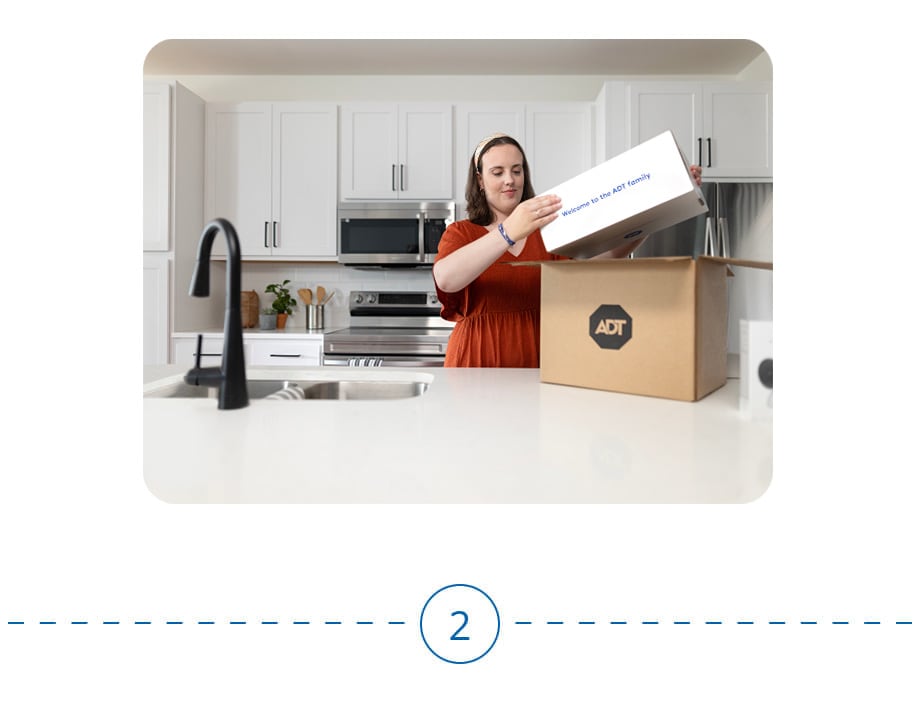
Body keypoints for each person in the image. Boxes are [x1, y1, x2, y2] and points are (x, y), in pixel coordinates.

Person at [433, 133, 702, 368]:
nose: (510, 180)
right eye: (498, 172)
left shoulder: (548, 230)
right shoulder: (461, 233)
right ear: (480, 180)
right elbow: (446, 278)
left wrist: (658, 208)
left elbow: (598, 263)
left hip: (542, 355)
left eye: (517, 170)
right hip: (476, 359)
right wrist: (509, 231)